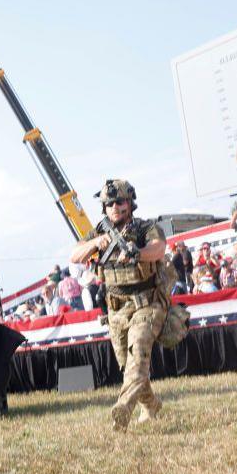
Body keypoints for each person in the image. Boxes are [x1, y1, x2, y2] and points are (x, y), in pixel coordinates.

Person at [69, 179, 168, 432]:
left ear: (130, 203)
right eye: (109, 203)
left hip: (146, 304)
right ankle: (152, 405)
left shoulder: (145, 227)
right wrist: (94, 243)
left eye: (120, 201)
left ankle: (123, 407)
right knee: (129, 365)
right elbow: (75, 256)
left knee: (138, 357)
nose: (115, 206)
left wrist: (138, 252)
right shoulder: (99, 233)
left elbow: (159, 249)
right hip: (116, 310)